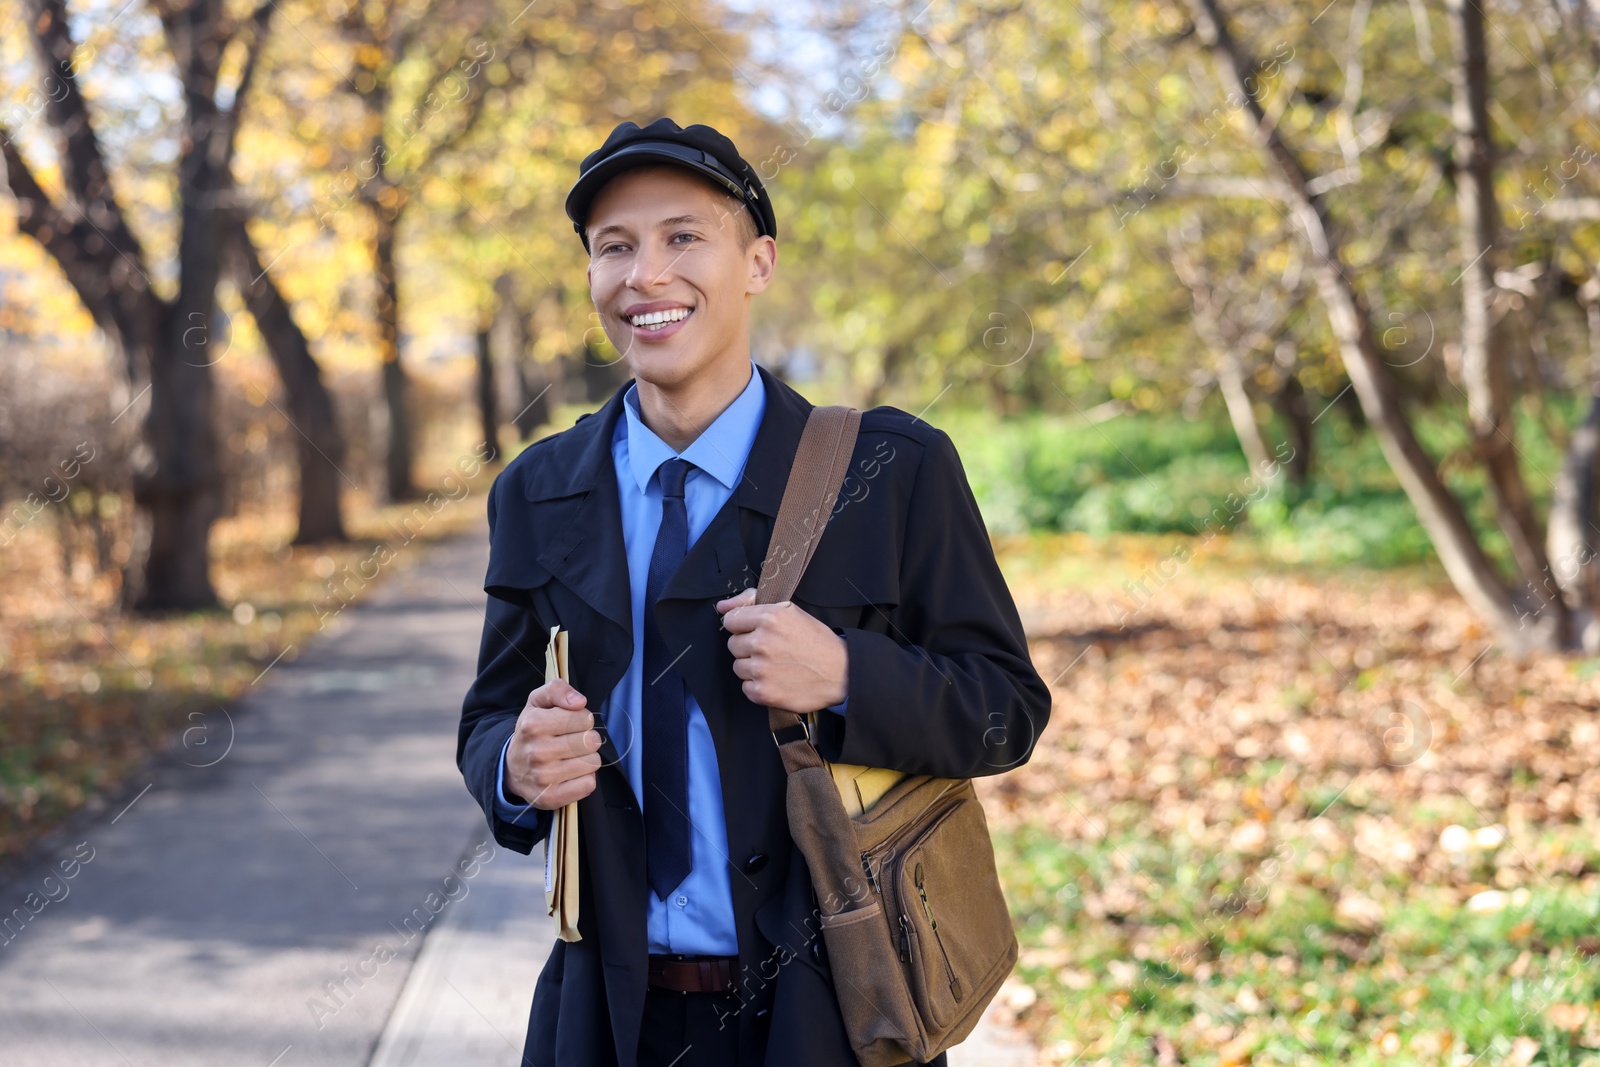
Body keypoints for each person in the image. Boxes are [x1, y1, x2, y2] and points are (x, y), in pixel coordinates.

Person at [457, 117, 1051, 1067]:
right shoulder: (537, 489)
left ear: (757, 262)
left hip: (834, 1006)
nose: (646, 273)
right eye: (615, 247)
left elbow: (1005, 712)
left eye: (683, 236)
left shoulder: (892, 468)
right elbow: (490, 716)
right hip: (605, 1012)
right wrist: (516, 768)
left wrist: (850, 673)